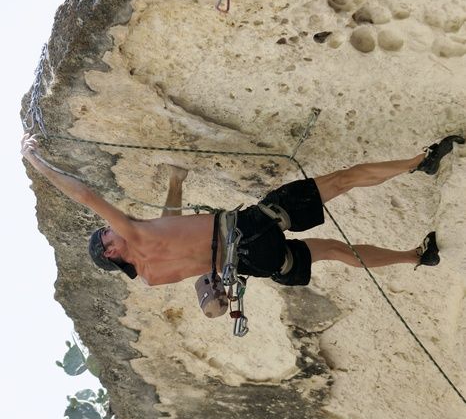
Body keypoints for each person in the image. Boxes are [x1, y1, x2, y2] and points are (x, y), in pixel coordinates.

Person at [21, 133, 464, 287]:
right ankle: (419, 163)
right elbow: (85, 195)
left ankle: (415, 257)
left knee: (336, 252)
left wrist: (176, 183)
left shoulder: (152, 275)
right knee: (339, 182)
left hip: (256, 263)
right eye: (105, 237)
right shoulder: (134, 236)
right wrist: (36, 161)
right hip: (249, 228)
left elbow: (173, 232)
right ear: (113, 253)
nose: (108, 230)